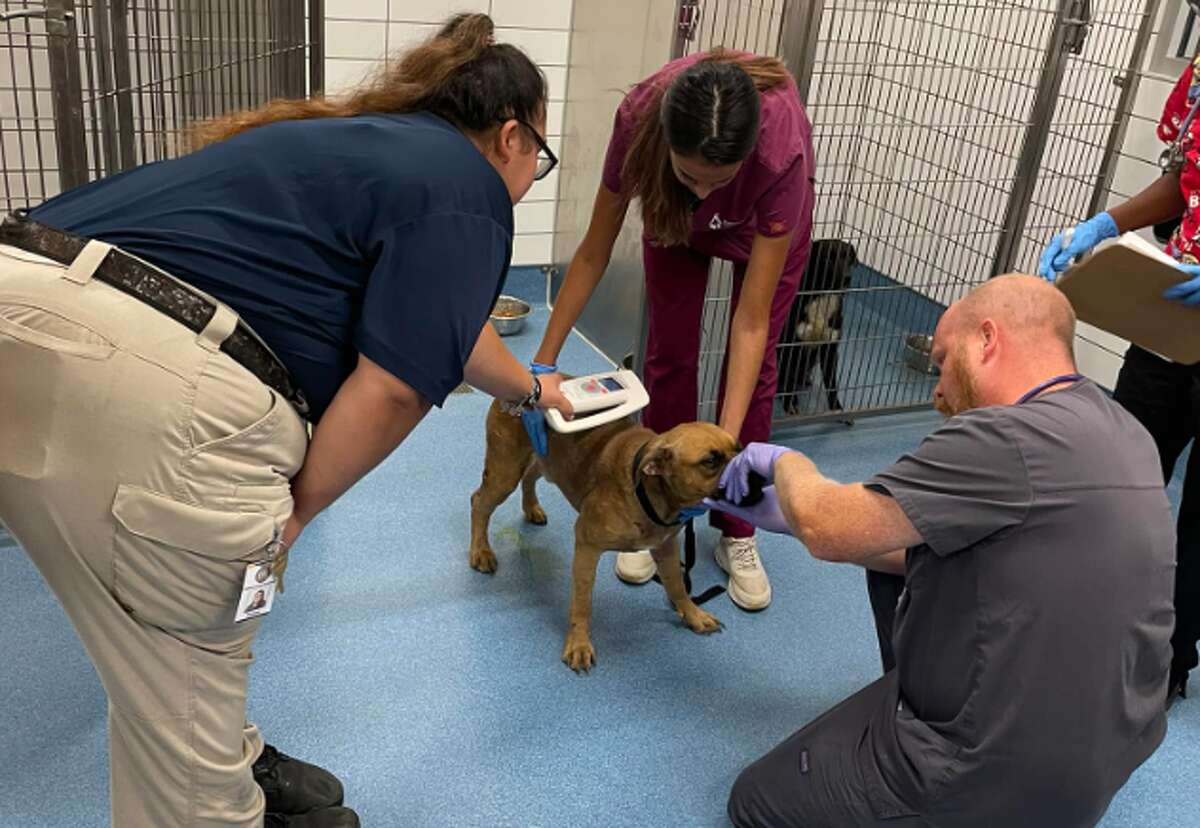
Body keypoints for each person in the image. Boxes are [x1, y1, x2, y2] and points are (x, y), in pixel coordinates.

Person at [0, 14, 570, 828]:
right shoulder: (468, 186)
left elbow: (449, 324)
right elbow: (396, 388)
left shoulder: (346, 140)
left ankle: (228, 758)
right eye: (538, 159)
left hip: (22, 297)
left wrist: (531, 392)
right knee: (188, 652)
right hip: (149, 386)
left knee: (159, 634)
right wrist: (292, 513)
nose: (528, 177)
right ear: (510, 136)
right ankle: (214, 792)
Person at [708, 274, 1175, 826]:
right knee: (899, 553)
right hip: (1109, 755)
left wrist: (785, 465)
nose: (937, 390)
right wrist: (792, 520)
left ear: (987, 339)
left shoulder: (1002, 438)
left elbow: (828, 528)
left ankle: (930, 782)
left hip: (991, 775)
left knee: (755, 800)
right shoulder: (1125, 429)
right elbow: (910, 542)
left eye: (943, 360)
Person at [528, 48, 816, 611]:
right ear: (666, 146)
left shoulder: (781, 153)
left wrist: (725, 454)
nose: (706, 192)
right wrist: (542, 367)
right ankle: (653, 515)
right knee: (669, 353)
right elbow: (592, 253)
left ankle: (737, 529)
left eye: (720, 179)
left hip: (764, 232)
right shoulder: (638, 121)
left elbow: (750, 321)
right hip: (672, 218)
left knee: (754, 371)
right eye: (692, 175)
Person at [1038, 44, 1200, 709]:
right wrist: (1105, 224)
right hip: (1174, 315)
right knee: (1122, 475)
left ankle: (1168, 658)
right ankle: (1090, 623)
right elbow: (1188, 178)